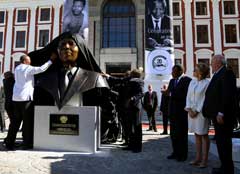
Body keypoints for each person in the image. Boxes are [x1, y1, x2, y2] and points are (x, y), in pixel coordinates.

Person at [29, 32, 108, 109]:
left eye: (71, 43)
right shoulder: (44, 81)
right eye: (62, 44)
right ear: (57, 51)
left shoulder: (95, 79)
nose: (66, 47)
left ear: (80, 49)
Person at [3, 54, 55, 150]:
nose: (30, 62)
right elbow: (41, 69)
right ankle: (26, 143)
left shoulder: (17, 68)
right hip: (25, 99)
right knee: (27, 122)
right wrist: (50, 61)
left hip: (16, 99)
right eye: (29, 60)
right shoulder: (27, 68)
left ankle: (9, 142)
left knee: (15, 122)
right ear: (25, 61)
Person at [202, 55, 238, 174]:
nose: (211, 65)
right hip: (217, 115)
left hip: (222, 116)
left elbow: (226, 96)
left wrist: (221, 112)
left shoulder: (226, 73)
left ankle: (227, 169)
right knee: (221, 143)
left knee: (224, 144)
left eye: (212, 62)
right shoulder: (218, 74)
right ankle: (224, 167)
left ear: (218, 63)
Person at [164, 64, 191, 161]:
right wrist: (166, 93)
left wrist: (170, 93)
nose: (171, 73)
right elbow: (170, 93)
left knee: (182, 135)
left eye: (173, 71)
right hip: (172, 112)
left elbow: (185, 95)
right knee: (173, 134)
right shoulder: (172, 81)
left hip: (181, 112)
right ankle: (175, 152)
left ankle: (183, 155)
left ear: (180, 71)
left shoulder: (187, 80)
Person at [185, 63, 210, 168]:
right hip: (191, 112)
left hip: (201, 113)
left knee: (203, 134)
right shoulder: (192, 81)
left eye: (195, 70)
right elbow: (188, 96)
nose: (193, 71)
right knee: (196, 134)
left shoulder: (207, 83)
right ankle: (198, 158)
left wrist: (197, 111)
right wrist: (189, 109)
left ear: (200, 72)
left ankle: (204, 160)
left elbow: (205, 99)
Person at [2, 71, 15, 143]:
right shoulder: (11, 81)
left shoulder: (5, 81)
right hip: (12, 104)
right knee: (14, 122)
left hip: (8, 104)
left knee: (12, 122)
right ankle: (9, 139)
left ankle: (8, 139)